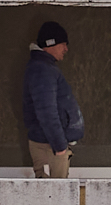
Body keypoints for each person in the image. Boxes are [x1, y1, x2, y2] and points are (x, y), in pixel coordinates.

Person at [24, 21, 84, 179]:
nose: (66, 49)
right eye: (63, 44)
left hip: (50, 146)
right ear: (51, 44)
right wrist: (60, 147)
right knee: (53, 197)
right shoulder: (42, 70)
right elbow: (46, 111)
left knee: (53, 196)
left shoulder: (44, 67)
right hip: (49, 148)